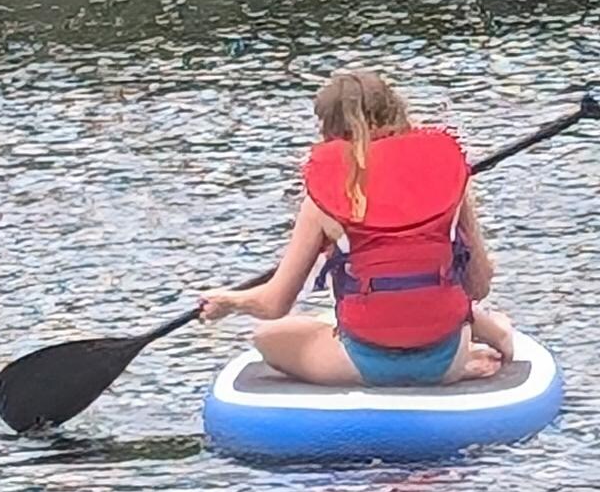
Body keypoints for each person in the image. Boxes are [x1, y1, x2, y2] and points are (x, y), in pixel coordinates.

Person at [196, 67, 514, 384]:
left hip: (365, 362)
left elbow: (274, 303)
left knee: (267, 337)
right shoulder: (449, 179)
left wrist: (229, 302)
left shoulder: (323, 197)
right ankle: (473, 350)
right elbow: (479, 286)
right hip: (447, 353)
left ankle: (456, 356)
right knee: (439, 296)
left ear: (330, 128)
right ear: (395, 108)